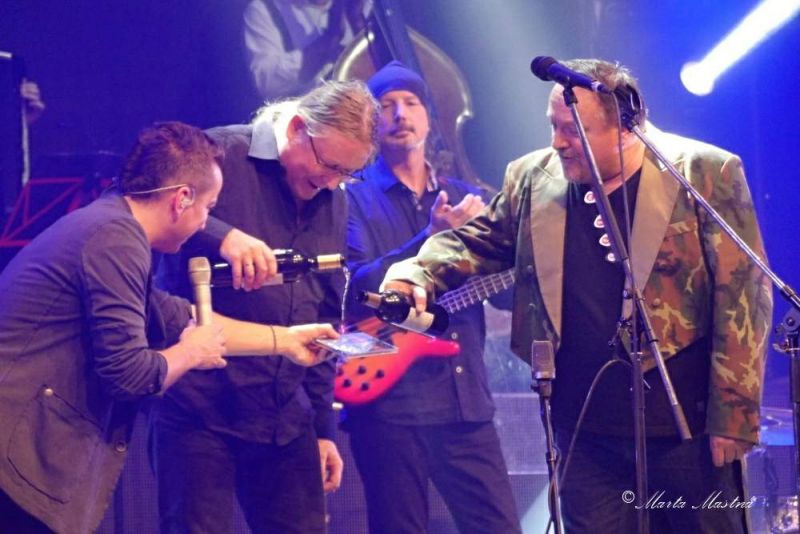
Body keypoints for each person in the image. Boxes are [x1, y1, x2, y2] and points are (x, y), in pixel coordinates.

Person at [382, 59, 773, 533]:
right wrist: (415, 273)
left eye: (573, 130)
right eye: (554, 126)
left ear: (626, 127)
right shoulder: (532, 176)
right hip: (584, 430)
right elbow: (475, 241)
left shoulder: (704, 172)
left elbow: (744, 296)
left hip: (685, 430)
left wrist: (734, 413)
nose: (558, 142)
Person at [0, 121, 337, 534]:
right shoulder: (116, 239)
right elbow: (130, 375)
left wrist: (285, 340)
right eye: (209, 208)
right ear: (181, 200)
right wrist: (191, 352)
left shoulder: (114, 228)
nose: (205, 223)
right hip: (13, 452)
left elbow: (178, 317)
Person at [152, 80, 379, 533]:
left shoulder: (333, 198)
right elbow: (140, 203)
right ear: (297, 128)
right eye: (328, 165)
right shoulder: (220, 152)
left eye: (346, 174)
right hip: (200, 411)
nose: (332, 182)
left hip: (283, 415)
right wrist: (222, 235)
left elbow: (323, 318)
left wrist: (323, 430)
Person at [342, 60, 521, 533]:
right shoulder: (352, 197)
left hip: (464, 401)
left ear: (430, 118)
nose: (400, 113)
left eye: (411, 103)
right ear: (372, 122)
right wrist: (431, 236)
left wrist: (521, 259)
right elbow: (354, 287)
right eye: (387, 105)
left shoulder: (468, 197)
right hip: (389, 403)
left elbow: (506, 299)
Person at [243, 0, 370, 99]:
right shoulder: (264, 10)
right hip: (312, 117)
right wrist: (329, 39)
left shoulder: (364, 4)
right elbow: (268, 85)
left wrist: (358, 22)